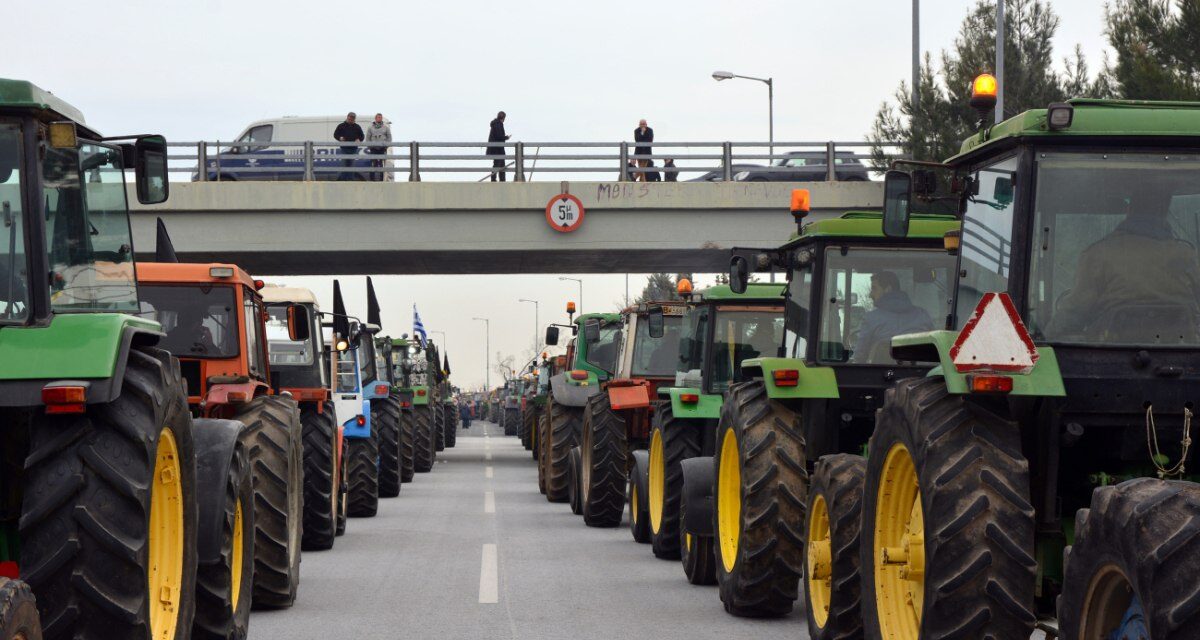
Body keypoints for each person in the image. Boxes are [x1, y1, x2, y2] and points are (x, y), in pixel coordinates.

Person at [1051, 192, 1200, 341]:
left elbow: (1074, 313)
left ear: (1130, 209)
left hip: (1104, 359)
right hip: (1181, 360)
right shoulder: (1187, 256)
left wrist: (1045, 336)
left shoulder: (1099, 254)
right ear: (1165, 211)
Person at [853, 271, 934, 363]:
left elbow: (859, 356)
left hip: (879, 375)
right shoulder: (923, 315)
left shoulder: (871, 318)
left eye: (874, 289)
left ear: (887, 289)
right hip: (920, 375)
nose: (870, 295)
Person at [333, 112, 364, 181]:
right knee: (344, 165)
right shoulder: (341, 126)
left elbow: (362, 136)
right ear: (347, 117)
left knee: (351, 166)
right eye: (350, 117)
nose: (351, 119)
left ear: (354, 119)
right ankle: (343, 180)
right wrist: (339, 138)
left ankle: (350, 180)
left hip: (353, 149)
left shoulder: (357, 127)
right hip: (344, 148)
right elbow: (335, 134)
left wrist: (359, 139)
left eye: (353, 118)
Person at [364, 113, 392, 182]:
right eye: (378, 117)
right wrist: (370, 146)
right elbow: (367, 138)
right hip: (373, 149)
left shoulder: (386, 127)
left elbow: (389, 137)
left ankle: (381, 180)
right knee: (373, 164)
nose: (380, 118)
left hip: (382, 149)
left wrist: (386, 146)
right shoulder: (370, 127)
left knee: (381, 165)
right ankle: (372, 180)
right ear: (375, 118)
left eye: (380, 117)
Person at [488, 111, 510, 182]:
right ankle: (495, 180)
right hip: (497, 149)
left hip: (497, 148)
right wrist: (506, 137)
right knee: (498, 165)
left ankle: (501, 180)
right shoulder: (498, 124)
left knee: (500, 165)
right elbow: (499, 136)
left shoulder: (496, 124)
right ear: (503, 118)